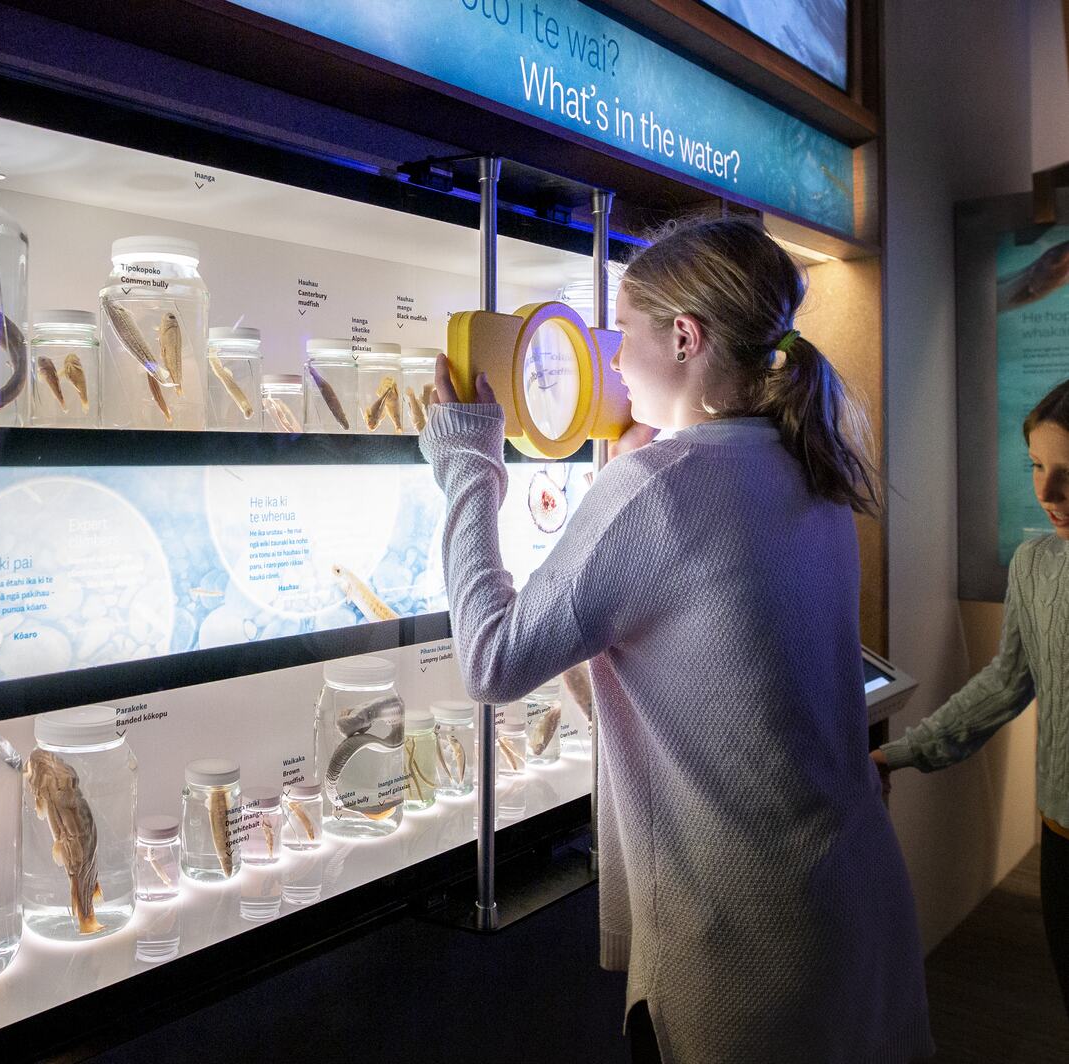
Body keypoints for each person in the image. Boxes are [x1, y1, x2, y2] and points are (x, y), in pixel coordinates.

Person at [419, 216, 934, 1063]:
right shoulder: (812, 463)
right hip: (854, 907)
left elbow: (492, 658)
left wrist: (469, 461)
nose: (611, 357)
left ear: (685, 337)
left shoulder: (656, 487)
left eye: (623, 333)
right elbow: (674, 654)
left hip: (748, 952)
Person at [873, 377, 1069, 1017]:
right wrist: (901, 753)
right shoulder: (1036, 565)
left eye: (1068, 471)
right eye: (1038, 467)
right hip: (1060, 833)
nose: (1048, 493)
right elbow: (1006, 683)